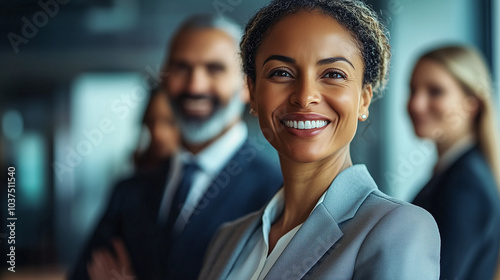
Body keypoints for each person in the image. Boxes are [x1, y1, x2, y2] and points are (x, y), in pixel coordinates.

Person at [198, 1, 441, 279]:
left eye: (333, 74)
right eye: (281, 73)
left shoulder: (399, 227)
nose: (304, 96)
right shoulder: (226, 240)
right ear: (252, 93)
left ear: (364, 99)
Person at [69, 14, 282, 280]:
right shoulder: (129, 193)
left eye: (214, 69)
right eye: (181, 68)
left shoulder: (276, 192)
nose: (195, 85)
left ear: (247, 86)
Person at [408, 45, 500, 280]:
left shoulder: (465, 186)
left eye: (435, 91)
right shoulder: (456, 174)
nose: (416, 104)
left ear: (472, 104)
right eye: (412, 90)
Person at [133, 87, 180, 172]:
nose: (157, 133)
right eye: (151, 122)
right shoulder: (130, 184)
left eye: (169, 122)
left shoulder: (195, 180)